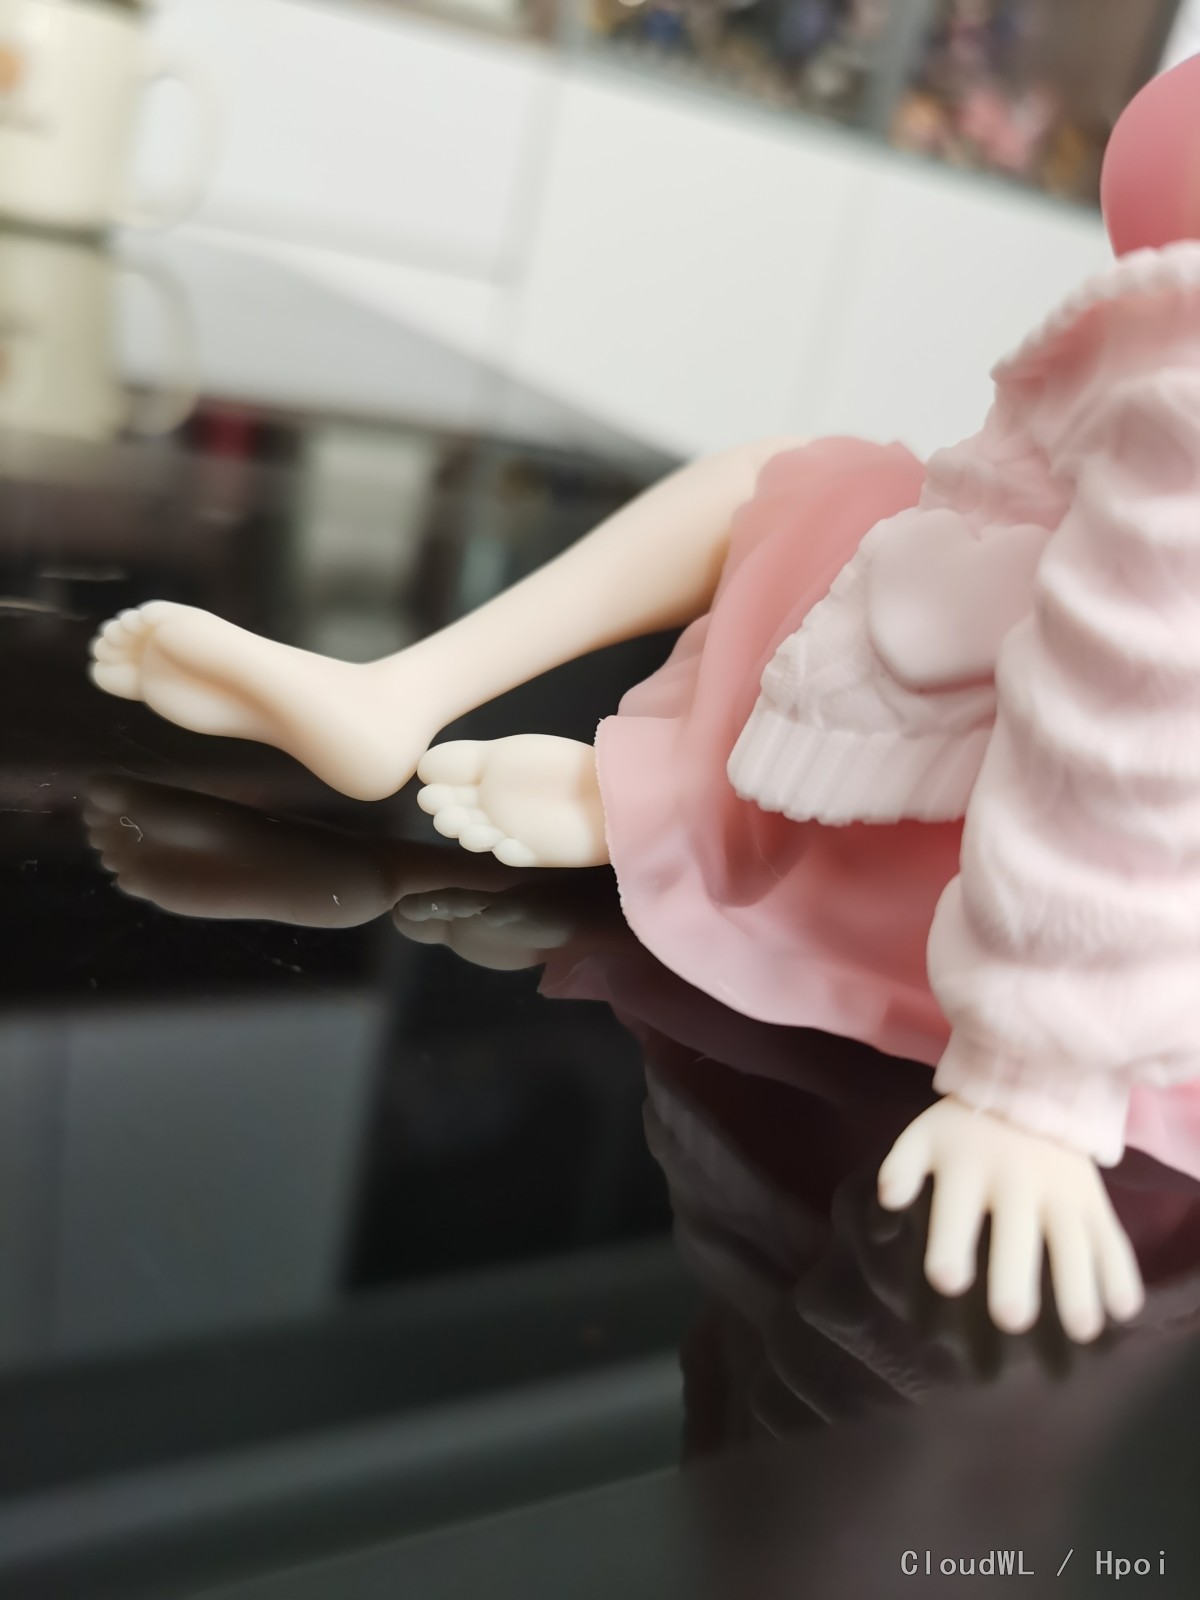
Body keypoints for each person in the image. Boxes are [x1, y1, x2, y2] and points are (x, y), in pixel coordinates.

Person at [89, 53, 1200, 1344]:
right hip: (1037, 758)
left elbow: (1134, 719)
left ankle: (633, 784)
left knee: (814, 494)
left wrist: (1035, 1082)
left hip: (1079, 900)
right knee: (814, 481)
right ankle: (506, 732)